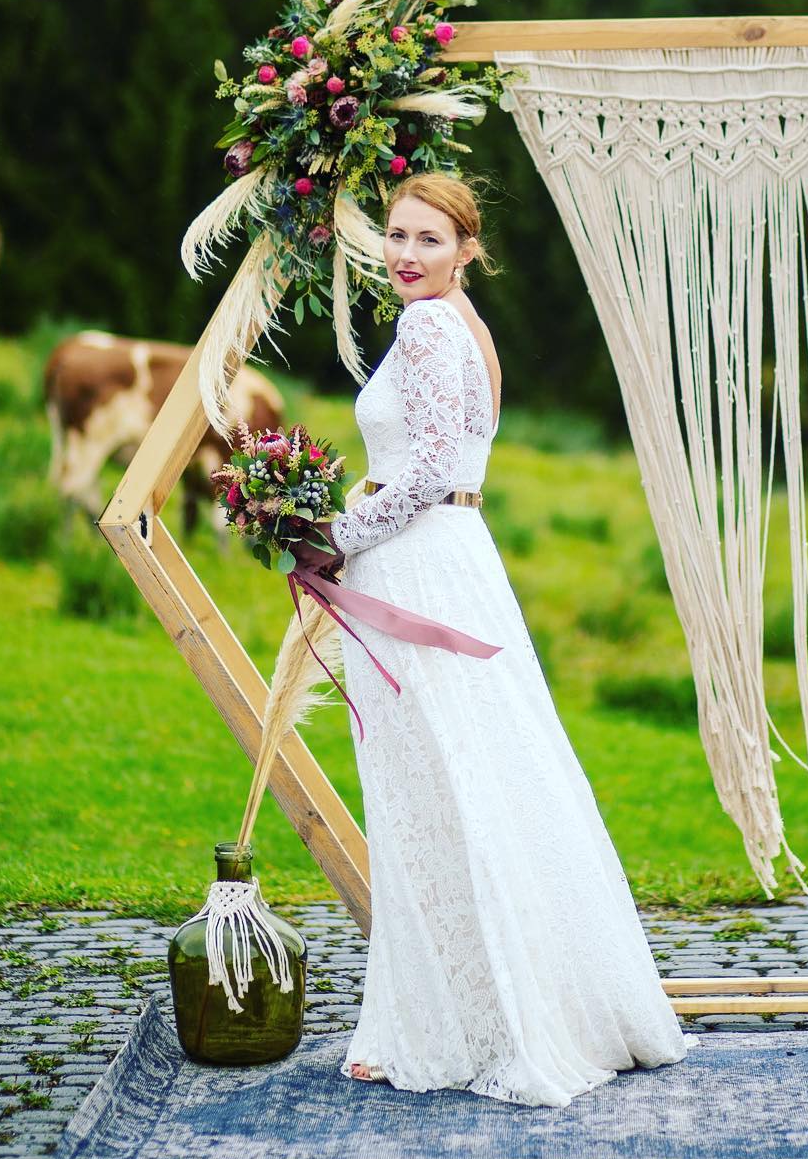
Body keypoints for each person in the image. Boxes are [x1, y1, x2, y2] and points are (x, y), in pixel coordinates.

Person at [292, 171, 694, 1108]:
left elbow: (429, 467)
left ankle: (452, 1025)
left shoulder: (430, 326)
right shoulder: (468, 325)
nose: (404, 254)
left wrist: (334, 537)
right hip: (453, 555)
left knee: (432, 790)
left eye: (429, 240)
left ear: (468, 250)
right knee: (477, 775)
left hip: (419, 562)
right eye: (396, 235)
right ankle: (484, 1008)